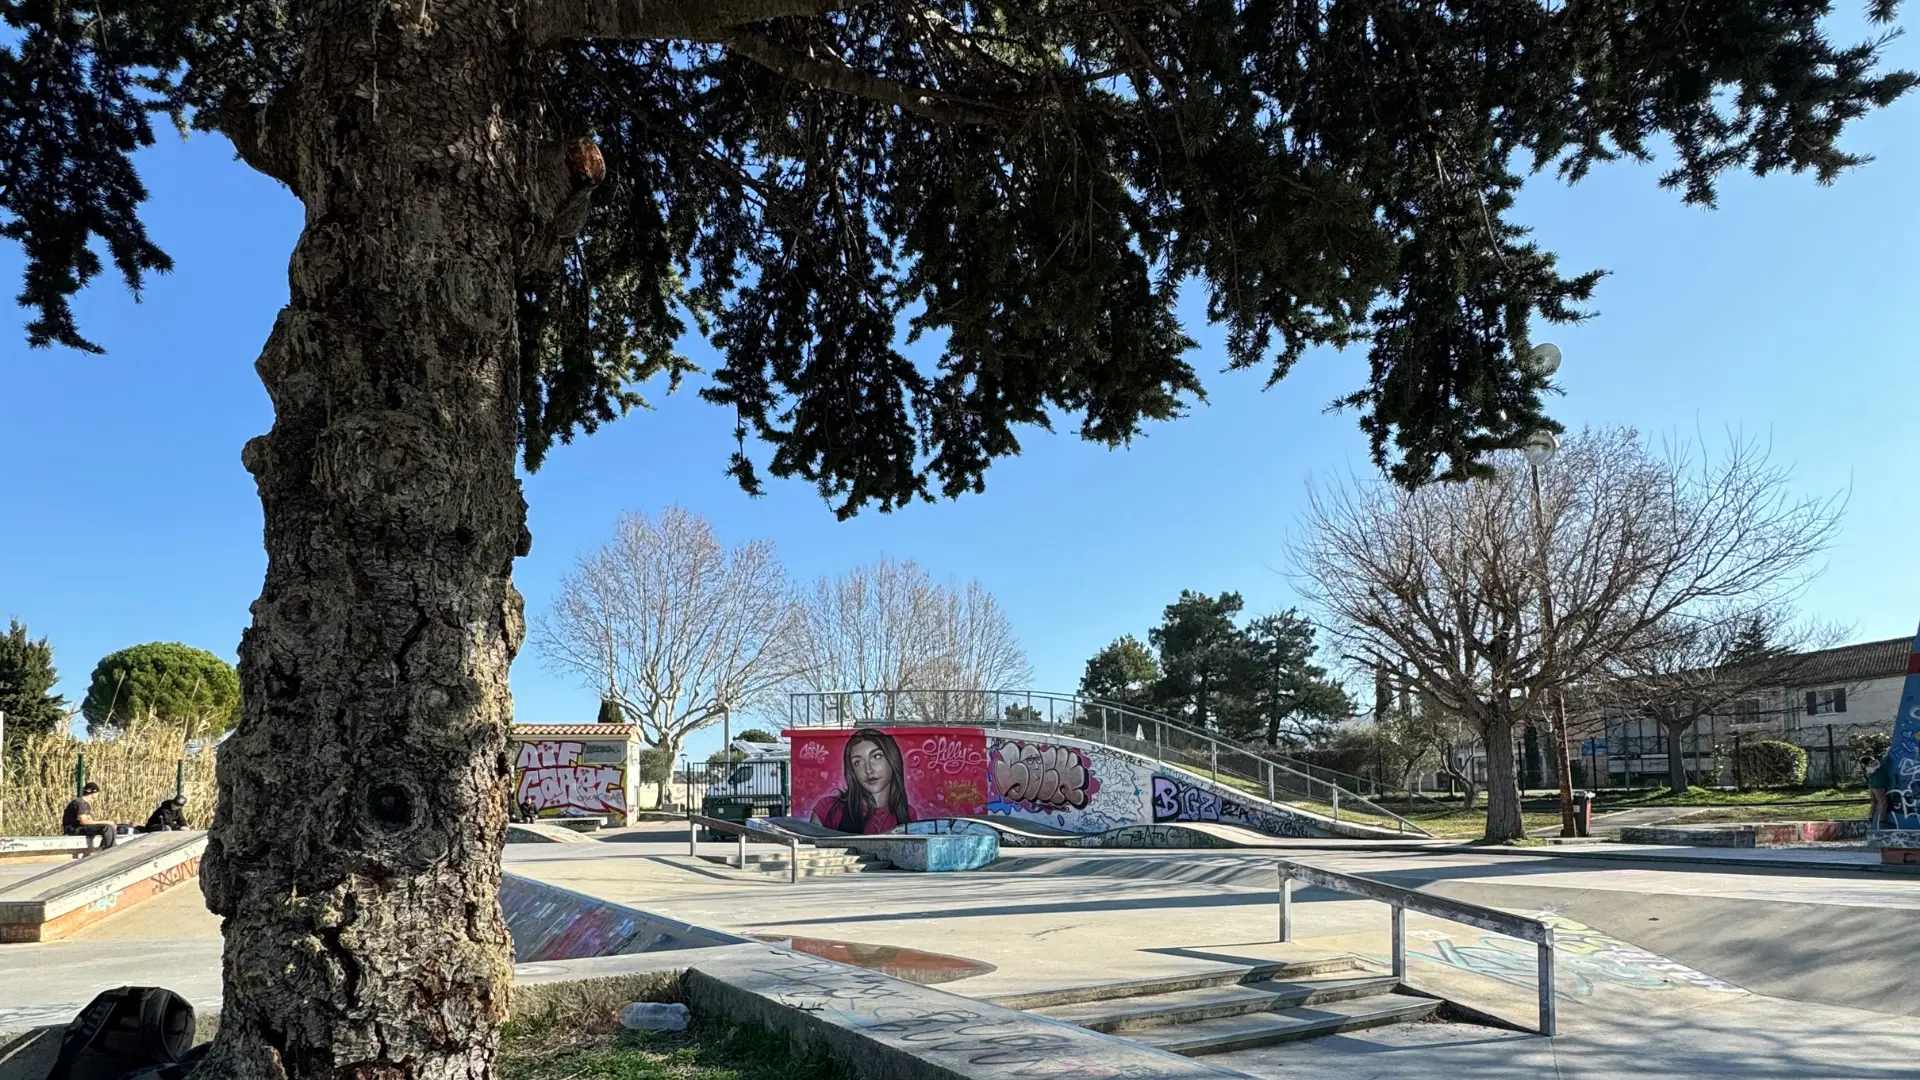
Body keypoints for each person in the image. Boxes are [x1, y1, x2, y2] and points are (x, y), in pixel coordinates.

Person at [808, 728, 914, 835]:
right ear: (852, 771)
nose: (868, 770)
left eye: (876, 756)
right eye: (857, 762)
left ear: (892, 758)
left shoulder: (908, 814)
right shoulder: (828, 809)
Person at [62, 782, 117, 850]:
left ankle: (109, 847)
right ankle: (108, 849)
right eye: (97, 792)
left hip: (81, 827)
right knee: (106, 827)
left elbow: (90, 821)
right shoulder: (79, 803)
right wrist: (106, 822)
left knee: (111, 827)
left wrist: (108, 823)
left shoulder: (85, 804)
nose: (98, 794)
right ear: (93, 792)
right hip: (73, 829)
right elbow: (84, 822)